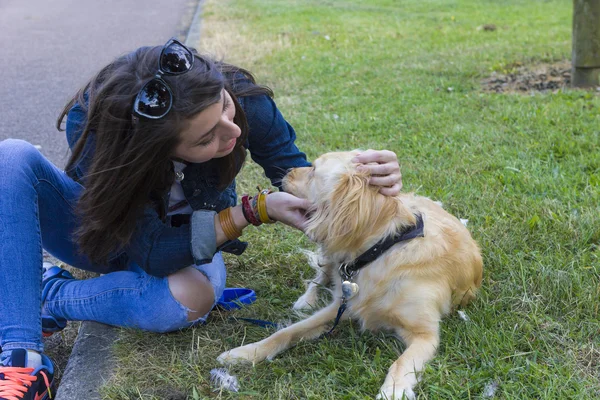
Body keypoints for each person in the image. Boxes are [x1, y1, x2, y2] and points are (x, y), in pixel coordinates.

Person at [0, 38, 402, 399]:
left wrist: (365, 179)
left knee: (186, 301)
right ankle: (22, 357)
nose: (230, 134)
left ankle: (50, 295)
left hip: (190, 239)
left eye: (224, 108)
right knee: (13, 156)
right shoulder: (96, 126)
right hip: (106, 240)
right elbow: (153, 253)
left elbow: (294, 173)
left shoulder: (244, 101)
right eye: (205, 139)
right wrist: (252, 211)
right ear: (152, 150)